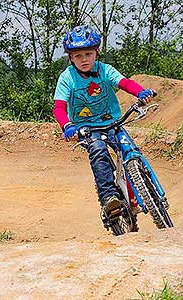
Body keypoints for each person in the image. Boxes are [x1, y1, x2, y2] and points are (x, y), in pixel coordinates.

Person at [53, 24, 154, 220]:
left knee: (129, 150)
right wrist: (67, 126)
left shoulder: (105, 70)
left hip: (113, 122)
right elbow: (59, 107)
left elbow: (124, 82)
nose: (84, 60)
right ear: (70, 58)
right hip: (87, 129)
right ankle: (109, 198)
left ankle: (144, 189)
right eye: (78, 56)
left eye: (88, 54)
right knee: (99, 152)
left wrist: (140, 92)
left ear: (96, 53)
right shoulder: (67, 79)